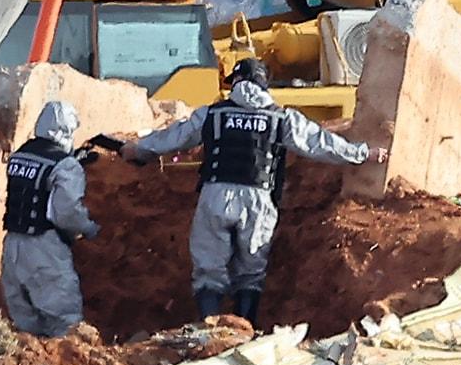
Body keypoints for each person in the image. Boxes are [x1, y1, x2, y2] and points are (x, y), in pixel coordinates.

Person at [123, 58, 386, 327]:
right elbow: (320, 143)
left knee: (208, 270)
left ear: (236, 82)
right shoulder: (281, 117)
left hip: (216, 195)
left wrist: (138, 148)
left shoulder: (211, 114)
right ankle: (245, 330)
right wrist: (363, 154)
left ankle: (209, 329)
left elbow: (175, 137)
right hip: (259, 199)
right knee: (251, 273)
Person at [1, 101, 99, 338]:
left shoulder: (19, 155)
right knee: (65, 323)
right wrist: (89, 228)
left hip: (13, 246)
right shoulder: (66, 166)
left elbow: (35, 181)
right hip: (44, 247)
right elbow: (66, 213)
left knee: (25, 325)